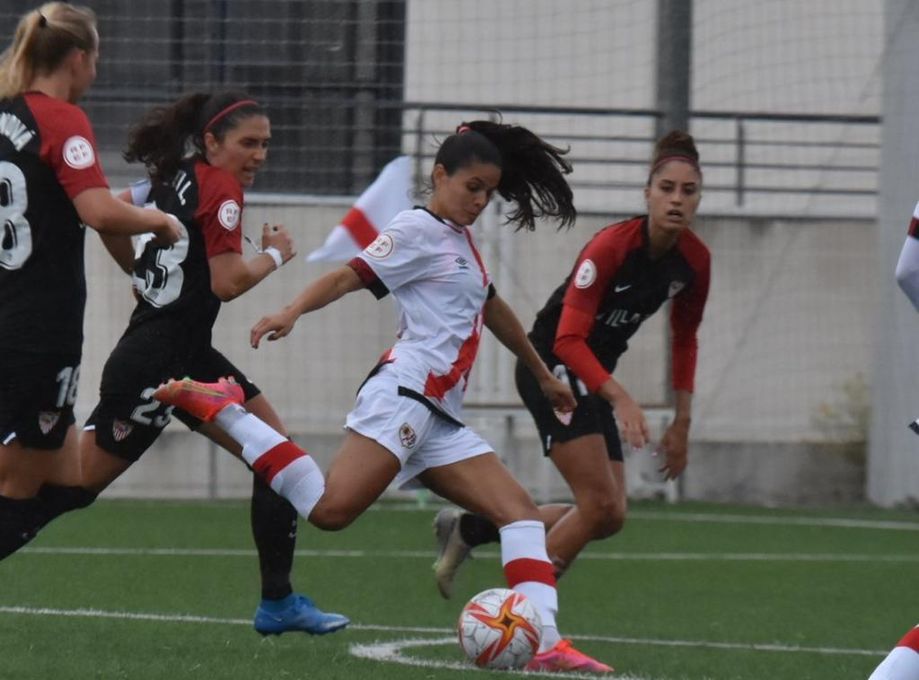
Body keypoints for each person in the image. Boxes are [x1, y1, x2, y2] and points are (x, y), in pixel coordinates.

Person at [155, 121, 615, 673]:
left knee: (519, 514)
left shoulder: (461, 242)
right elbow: (349, 276)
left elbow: (492, 309)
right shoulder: (417, 228)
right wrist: (291, 310)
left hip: (439, 413)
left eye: (488, 193)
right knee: (330, 511)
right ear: (440, 176)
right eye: (471, 187)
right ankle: (226, 410)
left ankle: (545, 645)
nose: (479, 201)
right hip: (405, 395)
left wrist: (542, 374)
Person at [72, 91, 345, 636]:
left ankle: (278, 603)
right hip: (155, 365)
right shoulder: (220, 188)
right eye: (249, 143)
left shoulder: (173, 176)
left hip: (186, 354)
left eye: (266, 144)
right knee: (67, 488)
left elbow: (112, 218)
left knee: (275, 452)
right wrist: (275, 254)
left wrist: (140, 277)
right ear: (213, 141)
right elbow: (227, 282)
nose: (259, 154)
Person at [430, 131, 711, 599]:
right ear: (647, 193)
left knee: (609, 515)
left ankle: (473, 529)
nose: (677, 199)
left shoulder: (695, 262)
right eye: (667, 188)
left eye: (689, 190)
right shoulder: (611, 248)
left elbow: (685, 340)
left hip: (592, 379)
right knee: (599, 505)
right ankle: (520, 614)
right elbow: (568, 340)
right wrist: (621, 398)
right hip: (551, 367)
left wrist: (682, 422)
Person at [0, 2, 180, 559]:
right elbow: (98, 211)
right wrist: (160, 221)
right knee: (19, 487)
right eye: (97, 57)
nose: (96, 71)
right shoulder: (60, 118)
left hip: (12, 314)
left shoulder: (4, 113)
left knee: (68, 479)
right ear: (78, 58)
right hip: (38, 328)